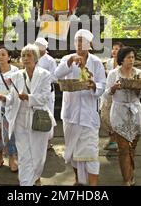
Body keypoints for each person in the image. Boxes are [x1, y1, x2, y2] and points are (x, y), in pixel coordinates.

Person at [0, 44, 55, 186]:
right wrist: (5, 98)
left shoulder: (45, 75)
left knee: (38, 154)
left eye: (29, 55)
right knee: (23, 155)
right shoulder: (16, 75)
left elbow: (45, 97)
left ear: (35, 58)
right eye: (23, 55)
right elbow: (12, 97)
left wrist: (28, 97)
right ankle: (25, 183)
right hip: (20, 119)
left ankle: (35, 177)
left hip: (37, 119)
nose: (26, 58)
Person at [55, 29, 106, 186]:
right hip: (70, 114)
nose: (79, 44)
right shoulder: (66, 58)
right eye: (77, 41)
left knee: (91, 152)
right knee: (73, 152)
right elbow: (56, 75)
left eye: (82, 41)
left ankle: (93, 186)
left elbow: (102, 85)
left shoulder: (96, 62)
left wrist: (93, 86)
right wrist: (69, 62)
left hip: (88, 116)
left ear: (89, 45)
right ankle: (78, 179)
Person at [105, 47, 141, 186]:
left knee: (132, 147)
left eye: (133, 57)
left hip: (135, 112)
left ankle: (130, 172)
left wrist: (138, 88)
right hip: (119, 112)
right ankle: (127, 179)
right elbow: (105, 94)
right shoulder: (113, 74)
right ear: (121, 59)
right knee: (123, 148)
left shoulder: (139, 73)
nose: (131, 60)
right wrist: (113, 89)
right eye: (128, 57)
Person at [34, 37, 57, 148]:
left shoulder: (50, 60)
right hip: (34, 91)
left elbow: (54, 76)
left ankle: (48, 139)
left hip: (47, 91)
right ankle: (36, 137)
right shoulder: (33, 58)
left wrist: (42, 77)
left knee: (48, 114)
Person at [103, 42, 124, 151]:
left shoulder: (123, 64)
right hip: (108, 91)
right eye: (113, 49)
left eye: (117, 49)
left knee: (117, 117)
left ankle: (116, 140)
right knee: (105, 117)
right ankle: (112, 138)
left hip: (119, 93)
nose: (114, 51)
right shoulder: (108, 63)